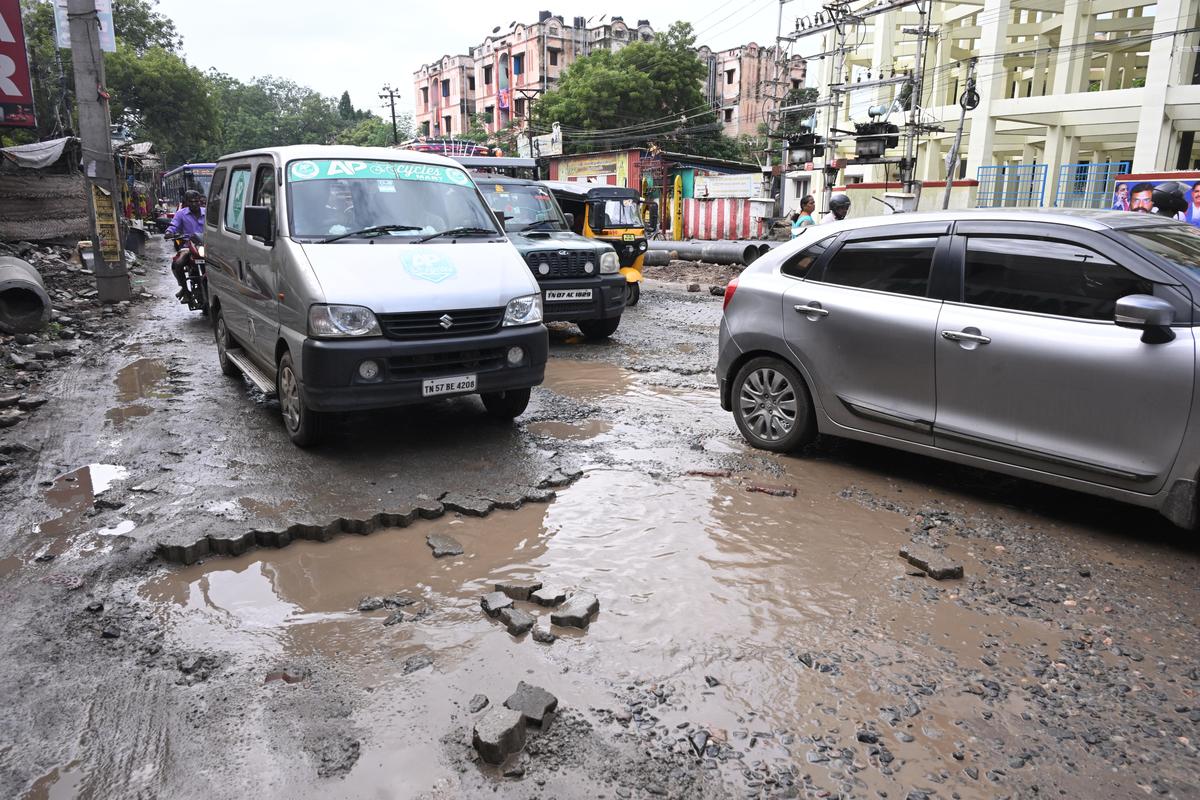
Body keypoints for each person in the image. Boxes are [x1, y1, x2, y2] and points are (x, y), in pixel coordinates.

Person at [164, 189, 206, 301]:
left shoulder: (207, 212)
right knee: (177, 264)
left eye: (196, 201)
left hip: (206, 246)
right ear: (186, 203)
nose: (194, 204)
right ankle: (185, 289)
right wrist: (169, 232)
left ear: (200, 201)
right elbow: (173, 226)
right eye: (191, 201)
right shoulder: (181, 214)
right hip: (188, 246)